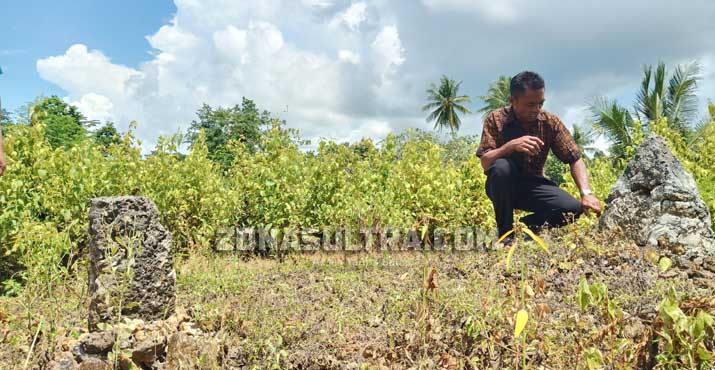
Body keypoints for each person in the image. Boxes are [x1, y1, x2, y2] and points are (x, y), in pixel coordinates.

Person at [476, 71, 602, 246]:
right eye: (530, 104)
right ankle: (505, 237)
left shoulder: (549, 122)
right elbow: (485, 162)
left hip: (533, 185)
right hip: (501, 186)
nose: (536, 109)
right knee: (501, 167)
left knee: (572, 209)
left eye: (540, 103)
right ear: (512, 100)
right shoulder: (496, 119)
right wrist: (510, 146)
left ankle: (524, 228)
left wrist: (586, 193)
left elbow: (574, 158)